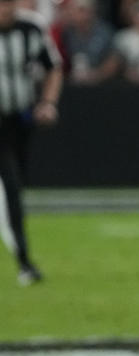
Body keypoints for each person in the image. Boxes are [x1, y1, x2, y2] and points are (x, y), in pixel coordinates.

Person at [0, 0, 61, 286]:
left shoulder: (31, 27)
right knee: (11, 187)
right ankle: (25, 262)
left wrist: (48, 102)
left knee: (15, 185)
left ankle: (23, 260)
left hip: (18, 121)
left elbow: (53, 67)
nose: (4, 10)